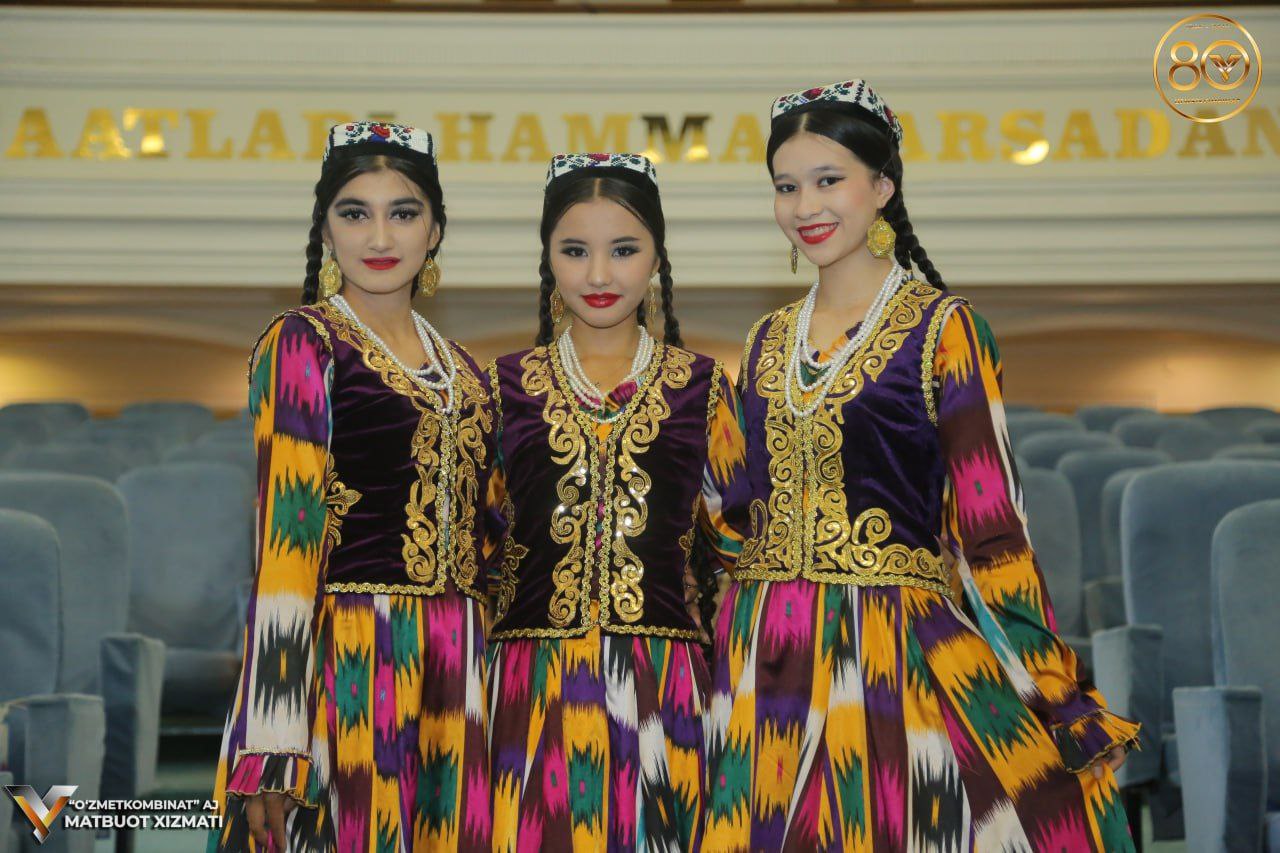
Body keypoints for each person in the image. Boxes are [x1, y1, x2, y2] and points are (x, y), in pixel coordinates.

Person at [704, 81, 1139, 851]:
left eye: (828, 179)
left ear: (882, 186)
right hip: (765, 651)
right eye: (786, 186)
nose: (805, 205)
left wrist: (1056, 692)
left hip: (889, 648)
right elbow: (735, 509)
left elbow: (991, 526)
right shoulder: (765, 338)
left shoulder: (946, 329)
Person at [209, 121, 494, 852]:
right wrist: (274, 739)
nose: (380, 235)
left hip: (457, 665)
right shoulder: (304, 342)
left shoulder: (466, 371)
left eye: (404, 212)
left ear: (435, 230)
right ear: (326, 229)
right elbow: (286, 540)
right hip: (350, 660)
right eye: (355, 212)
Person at [483, 153, 747, 851]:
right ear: (547, 257)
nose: (599, 275)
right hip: (529, 685)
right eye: (575, 251)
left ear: (657, 256)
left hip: (665, 687)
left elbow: (742, 552)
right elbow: (475, 551)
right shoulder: (502, 387)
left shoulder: (702, 388)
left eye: (624, 250)